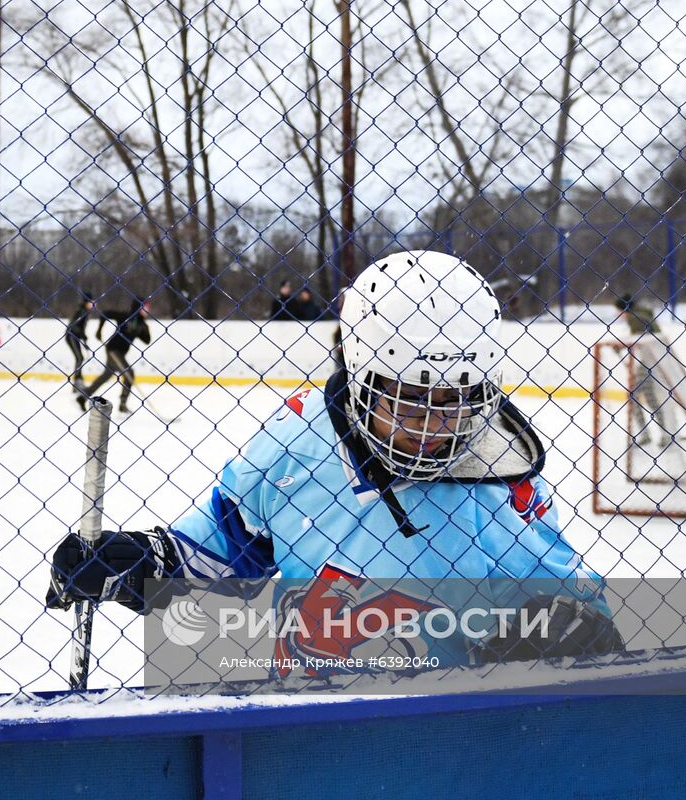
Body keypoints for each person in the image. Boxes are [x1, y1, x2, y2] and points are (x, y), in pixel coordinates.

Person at [49, 252, 621, 674]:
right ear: (359, 377)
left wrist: (570, 624)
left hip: (453, 731)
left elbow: (556, 588)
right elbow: (230, 544)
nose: (432, 427)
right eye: (408, 402)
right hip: (311, 720)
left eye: (455, 403)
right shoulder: (294, 445)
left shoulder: (498, 472)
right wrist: (146, 560)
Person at [615, 293, 675, 451]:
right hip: (656, 361)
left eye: (618, 311)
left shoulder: (634, 318)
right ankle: (663, 432)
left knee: (638, 396)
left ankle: (654, 433)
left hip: (650, 363)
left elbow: (640, 340)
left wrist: (622, 345)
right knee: (649, 397)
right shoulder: (642, 314)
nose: (617, 315)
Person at [77, 298, 152, 414]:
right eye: (145, 307)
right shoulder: (125, 316)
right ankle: (122, 404)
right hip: (113, 350)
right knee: (129, 373)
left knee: (106, 375)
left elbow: (147, 340)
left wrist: (141, 330)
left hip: (120, 353)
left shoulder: (141, 324)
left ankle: (82, 397)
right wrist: (99, 330)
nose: (147, 309)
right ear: (138, 307)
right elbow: (105, 314)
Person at [65, 293, 96, 395]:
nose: (92, 304)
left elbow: (81, 328)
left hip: (76, 336)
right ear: (86, 302)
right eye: (90, 302)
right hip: (72, 336)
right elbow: (74, 326)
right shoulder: (81, 311)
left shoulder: (85, 311)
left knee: (80, 358)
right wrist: (83, 335)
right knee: (79, 358)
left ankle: (79, 381)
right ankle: (77, 383)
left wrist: (84, 339)